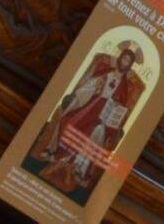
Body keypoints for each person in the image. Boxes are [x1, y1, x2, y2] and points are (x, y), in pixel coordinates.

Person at [25, 39, 148, 199]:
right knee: (68, 120)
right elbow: (88, 86)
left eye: (128, 61)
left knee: (96, 133)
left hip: (105, 118)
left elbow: (122, 109)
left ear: (130, 65)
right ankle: (57, 157)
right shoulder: (106, 70)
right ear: (119, 58)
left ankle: (75, 171)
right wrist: (85, 92)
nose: (124, 62)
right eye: (123, 58)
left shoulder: (125, 86)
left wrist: (114, 122)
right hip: (92, 104)